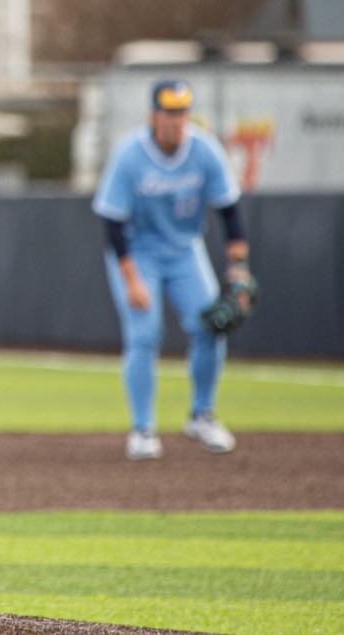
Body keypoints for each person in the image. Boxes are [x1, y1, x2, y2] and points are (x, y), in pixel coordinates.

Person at [92, 79, 251, 461]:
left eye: (182, 112)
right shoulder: (130, 154)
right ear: (154, 115)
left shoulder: (204, 149)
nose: (177, 121)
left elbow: (230, 212)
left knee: (211, 326)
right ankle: (143, 428)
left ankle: (202, 414)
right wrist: (131, 280)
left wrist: (239, 268)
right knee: (144, 334)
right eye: (169, 113)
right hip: (138, 252)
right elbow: (113, 223)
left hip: (184, 250)